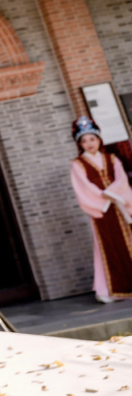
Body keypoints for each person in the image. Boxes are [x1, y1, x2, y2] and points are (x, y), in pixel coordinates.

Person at [69, 116, 132, 304]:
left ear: (99, 140)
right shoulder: (77, 164)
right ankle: (110, 290)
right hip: (101, 211)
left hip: (119, 207)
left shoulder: (112, 159)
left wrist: (113, 194)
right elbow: (83, 187)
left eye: (92, 139)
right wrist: (104, 197)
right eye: (84, 141)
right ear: (80, 144)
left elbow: (122, 181)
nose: (89, 143)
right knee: (107, 247)